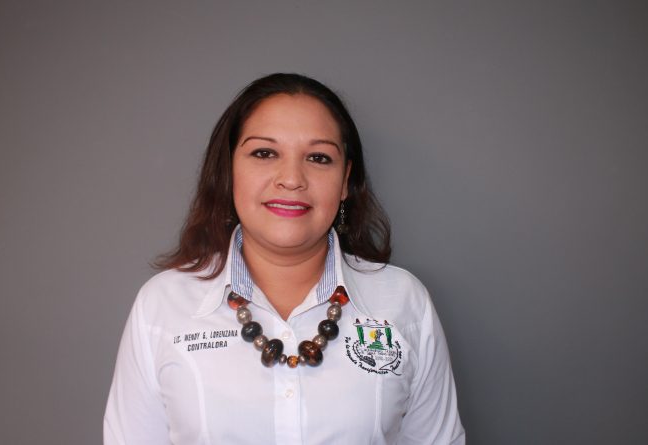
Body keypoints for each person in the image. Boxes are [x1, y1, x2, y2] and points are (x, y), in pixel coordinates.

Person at [104, 73, 465, 444]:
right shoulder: (162, 306)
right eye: (264, 153)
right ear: (229, 170)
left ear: (345, 181)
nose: (292, 179)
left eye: (318, 158)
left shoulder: (404, 302)